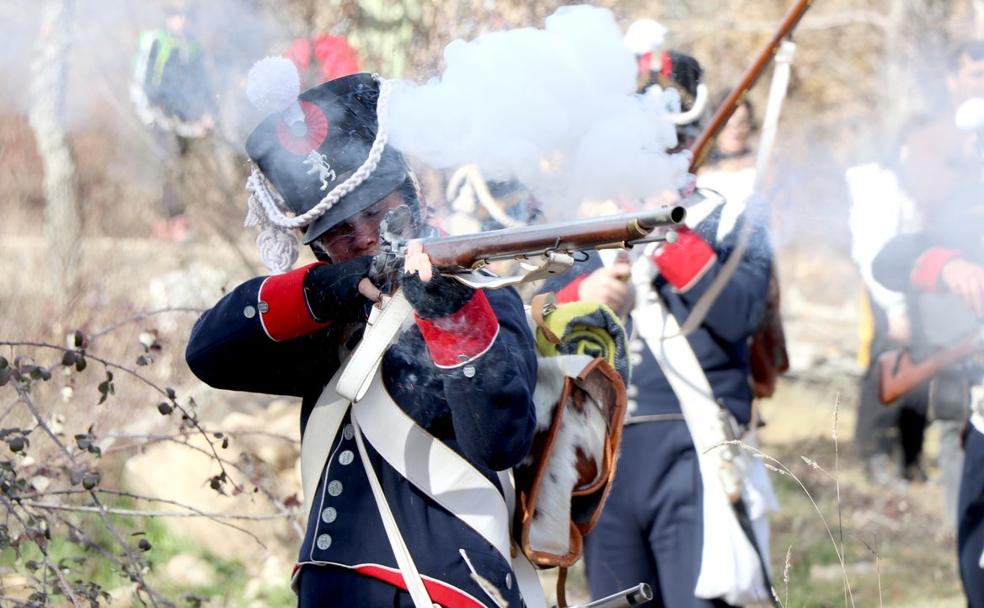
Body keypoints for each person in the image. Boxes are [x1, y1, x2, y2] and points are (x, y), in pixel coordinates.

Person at [185, 67, 541, 607]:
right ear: (321, 250)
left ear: (411, 194)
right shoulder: (334, 314)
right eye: (339, 235)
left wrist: (450, 316)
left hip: (445, 592)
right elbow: (208, 353)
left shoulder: (482, 296)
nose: (367, 238)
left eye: (377, 212)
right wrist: (326, 293)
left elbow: (498, 441)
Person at [541, 47, 776, 607]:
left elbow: (742, 311)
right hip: (600, 451)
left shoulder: (729, 212)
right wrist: (583, 296)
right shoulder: (588, 221)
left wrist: (668, 230)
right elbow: (538, 316)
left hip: (692, 442)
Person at [871, 182, 984, 607]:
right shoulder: (968, 217)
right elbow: (889, 262)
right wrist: (947, 264)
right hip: (975, 419)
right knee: (975, 573)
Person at [846, 137, 929, 487]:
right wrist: (894, 308)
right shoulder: (881, 187)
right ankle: (874, 454)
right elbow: (871, 252)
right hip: (889, 294)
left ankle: (911, 459)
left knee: (922, 373)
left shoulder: (925, 185)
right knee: (888, 370)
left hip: (922, 293)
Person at [131, 1, 216, 241]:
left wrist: (207, 114)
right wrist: (147, 112)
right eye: (177, 15)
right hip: (157, 117)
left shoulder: (194, 48)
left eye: (187, 15)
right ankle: (166, 222)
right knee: (167, 168)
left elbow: (203, 86)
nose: (183, 20)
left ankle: (177, 220)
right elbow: (141, 79)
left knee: (182, 169)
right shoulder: (155, 41)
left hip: (186, 121)